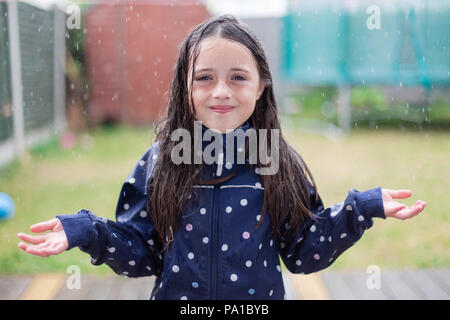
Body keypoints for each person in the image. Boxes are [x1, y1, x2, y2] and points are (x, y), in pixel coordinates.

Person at [17, 15, 426, 300]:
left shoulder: (275, 160)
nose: (221, 92)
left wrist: (363, 208)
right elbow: (141, 253)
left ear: (262, 84)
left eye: (238, 77)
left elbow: (304, 252)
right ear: (185, 86)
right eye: (205, 78)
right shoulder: (161, 161)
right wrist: (87, 232)